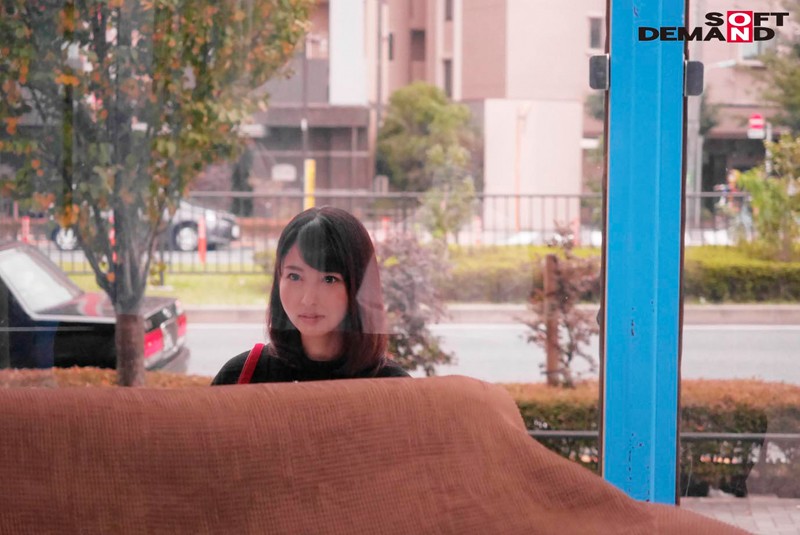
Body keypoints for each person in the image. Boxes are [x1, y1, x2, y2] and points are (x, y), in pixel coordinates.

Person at [212, 206, 409, 384]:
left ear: (359, 287)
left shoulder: (393, 389)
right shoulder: (241, 376)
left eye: (329, 279)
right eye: (294, 276)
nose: (308, 299)